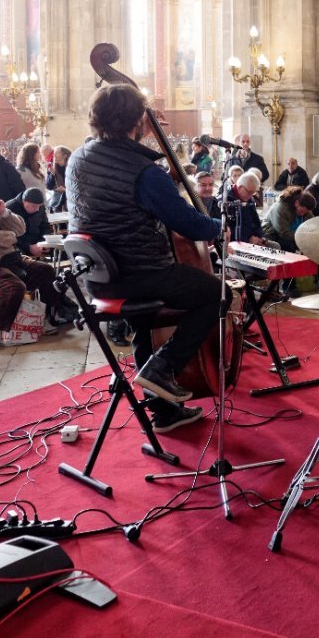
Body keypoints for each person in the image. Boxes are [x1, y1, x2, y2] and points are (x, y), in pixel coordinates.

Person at [66, 83, 223, 431]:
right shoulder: (143, 172)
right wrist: (217, 224)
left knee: (145, 324)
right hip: (139, 272)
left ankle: (163, 412)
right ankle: (162, 368)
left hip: (99, 278)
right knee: (217, 294)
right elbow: (190, 225)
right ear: (139, 119)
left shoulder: (80, 157)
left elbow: (119, 196)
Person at [0, 182, 63, 347]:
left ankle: (41, 319)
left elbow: (21, 228)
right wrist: (11, 236)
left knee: (45, 271)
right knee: (12, 286)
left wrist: (3, 212)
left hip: (6, 258)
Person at [5, 186, 53, 256]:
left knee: (62, 249)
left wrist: (43, 243)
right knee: (17, 255)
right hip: (20, 245)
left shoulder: (39, 207)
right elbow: (7, 236)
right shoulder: (10, 208)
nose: (37, 209)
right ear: (24, 202)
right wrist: (28, 247)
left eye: (39, 206)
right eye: (34, 206)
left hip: (37, 242)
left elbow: (45, 226)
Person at [225, 170, 267, 243]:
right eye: (249, 192)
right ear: (240, 187)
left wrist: (259, 237)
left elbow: (256, 221)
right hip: (237, 243)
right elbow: (227, 230)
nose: (251, 196)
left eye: (252, 193)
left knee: (275, 246)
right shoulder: (226, 201)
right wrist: (248, 240)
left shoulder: (249, 199)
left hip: (252, 240)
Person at [46, 146, 71, 213]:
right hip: (57, 203)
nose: (54, 155)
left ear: (64, 156)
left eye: (57, 153)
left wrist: (65, 190)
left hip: (71, 201)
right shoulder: (52, 168)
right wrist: (52, 175)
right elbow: (49, 186)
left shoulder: (72, 167)